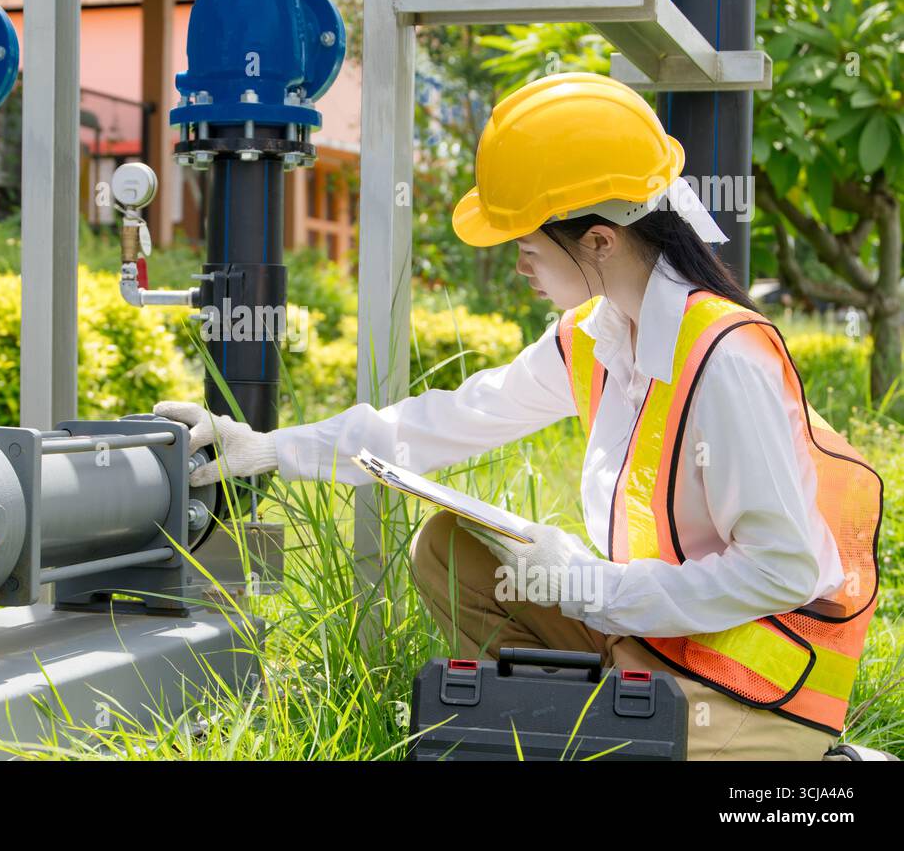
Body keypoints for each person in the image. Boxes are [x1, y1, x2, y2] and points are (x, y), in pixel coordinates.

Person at [154, 72, 882, 761]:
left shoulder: (726, 359)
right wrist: (270, 447)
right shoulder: (598, 335)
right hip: (654, 641)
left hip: (756, 690)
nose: (520, 261)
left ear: (600, 239)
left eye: (527, 240)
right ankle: (578, 720)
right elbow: (440, 421)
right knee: (449, 548)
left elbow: (784, 568)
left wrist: (594, 587)